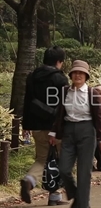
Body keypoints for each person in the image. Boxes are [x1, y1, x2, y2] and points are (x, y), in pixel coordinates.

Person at [48, 60, 101, 208]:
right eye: (75, 72)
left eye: (81, 73)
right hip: (68, 131)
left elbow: (100, 118)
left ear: (86, 76)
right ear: (71, 75)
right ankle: (76, 194)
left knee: (83, 172)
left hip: (87, 132)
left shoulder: (92, 93)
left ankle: (83, 205)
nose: (78, 75)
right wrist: (53, 132)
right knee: (63, 168)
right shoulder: (64, 91)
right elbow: (59, 114)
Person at [20, 46, 69, 206]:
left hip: (36, 126)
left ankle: (30, 180)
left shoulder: (32, 77)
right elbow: (64, 106)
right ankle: (59, 193)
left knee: (42, 158)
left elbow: (27, 102)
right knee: (63, 159)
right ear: (59, 62)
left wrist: (26, 125)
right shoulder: (60, 79)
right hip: (55, 126)